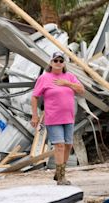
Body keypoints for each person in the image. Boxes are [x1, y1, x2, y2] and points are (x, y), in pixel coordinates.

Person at [31, 51, 85, 185]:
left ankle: (59, 172)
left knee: (68, 145)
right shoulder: (44, 78)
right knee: (59, 145)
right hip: (53, 118)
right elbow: (34, 96)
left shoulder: (70, 77)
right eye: (56, 61)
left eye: (61, 61)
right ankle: (61, 178)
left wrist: (67, 83)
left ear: (64, 63)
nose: (58, 63)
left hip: (69, 117)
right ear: (51, 63)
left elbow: (82, 90)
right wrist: (35, 115)